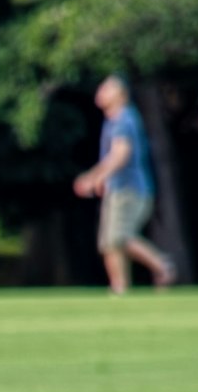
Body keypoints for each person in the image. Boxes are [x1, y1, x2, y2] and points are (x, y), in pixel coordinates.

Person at [74, 77, 175, 292]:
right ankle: (120, 286)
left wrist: (94, 177)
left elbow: (121, 155)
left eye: (106, 88)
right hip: (119, 188)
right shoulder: (113, 120)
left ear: (120, 94)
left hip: (129, 189)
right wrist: (104, 179)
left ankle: (160, 266)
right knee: (110, 242)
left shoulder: (123, 119)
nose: (100, 91)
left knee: (119, 237)